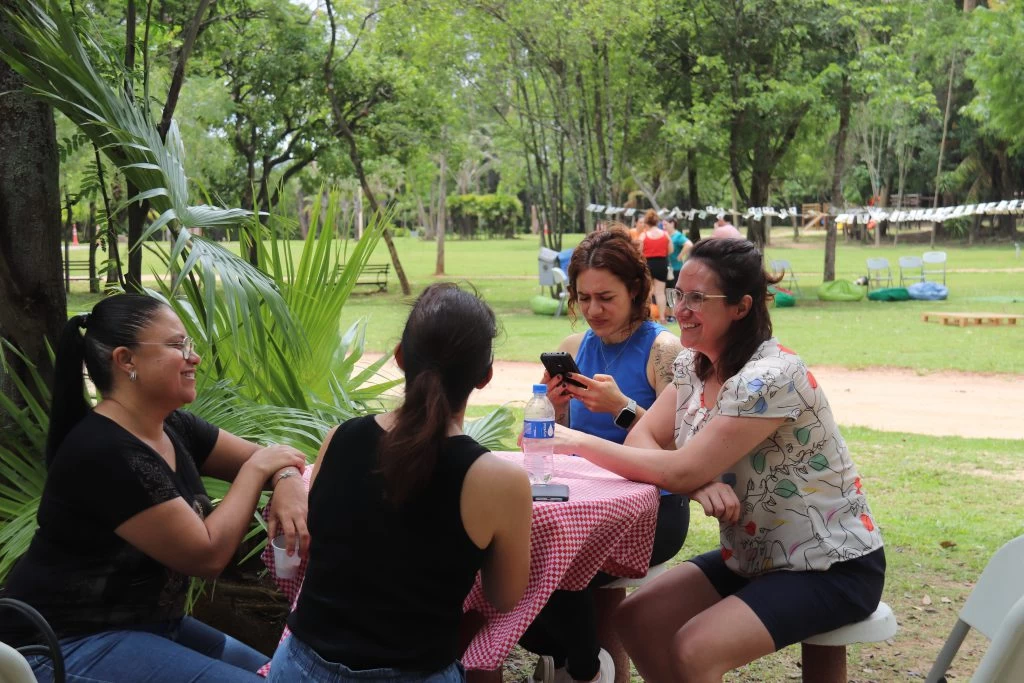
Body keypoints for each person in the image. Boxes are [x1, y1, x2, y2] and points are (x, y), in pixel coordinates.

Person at [549, 238, 886, 681]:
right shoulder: (695, 364)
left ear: (740, 307)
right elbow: (643, 433)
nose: (679, 309)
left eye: (696, 299)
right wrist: (697, 481)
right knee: (636, 618)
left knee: (695, 647)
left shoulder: (769, 379)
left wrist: (573, 441)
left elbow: (680, 466)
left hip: (829, 564)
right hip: (754, 556)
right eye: (677, 295)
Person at [0, 294, 310, 682]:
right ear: (126, 360)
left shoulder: (173, 425)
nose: (193, 357)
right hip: (62, 644)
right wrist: (258, 469)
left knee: (281, 675)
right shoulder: (104, 451)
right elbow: (208, 555)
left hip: (149, 626)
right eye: (177, 345)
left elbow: (270, 458)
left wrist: (284, 479)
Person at [268, 283, 532, 682]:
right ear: (485, 376)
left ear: (399, 357)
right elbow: (505, 596)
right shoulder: (500, 479)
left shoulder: (340, 437)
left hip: (301, 667)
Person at [522, 226, 685, 683]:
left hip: (650, 513)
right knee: (518, 565)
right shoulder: (575, 348)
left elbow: (681, 453)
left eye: (605, 297)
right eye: (583, 297)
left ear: (635, 290)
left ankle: (582, 665)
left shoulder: (663, 351)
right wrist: (553, 408)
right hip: (578, 505)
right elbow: (561, 439)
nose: (592, 310)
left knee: (552, 569)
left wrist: (622, 410)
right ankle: (581, 661)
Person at [637, 209, 671, 323]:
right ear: (657, 222)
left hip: (648, 263)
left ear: (646, 223)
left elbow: (639, 251)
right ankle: (662, 317)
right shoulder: (665, 234)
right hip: (662, 263)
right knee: (660, 292)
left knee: (647, 291)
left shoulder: (643, 235)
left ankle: (647, 316)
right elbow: (670, 250)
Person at [663, 217, 693, 292]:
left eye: (665, 224)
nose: (664, 227)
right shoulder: (666, 235)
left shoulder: (677, 236)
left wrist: (680, 256)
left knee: (674, 291)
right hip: (667, 267)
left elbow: (689, 244)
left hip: (676, 268)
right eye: (663, 225)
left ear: (672, 224)